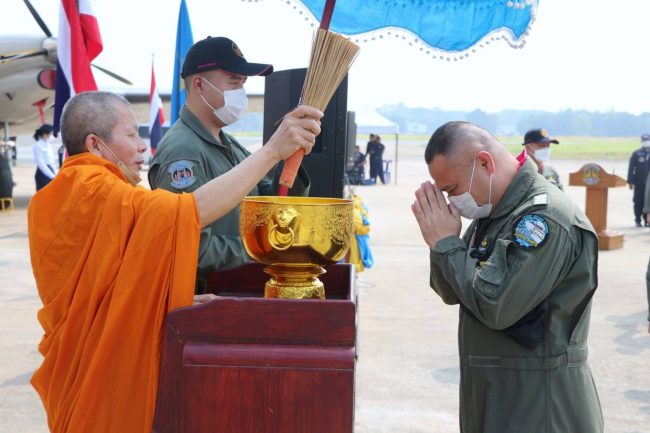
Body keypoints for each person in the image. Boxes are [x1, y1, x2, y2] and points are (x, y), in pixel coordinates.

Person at [27, 91, 321, 433]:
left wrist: (175, 301)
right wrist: (271, 152)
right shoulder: (96, 193)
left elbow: (116, 285)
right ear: (95, 144)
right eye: (132, 134)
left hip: (87, 370)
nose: (142, 146)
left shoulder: (52, 201)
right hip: (106, 375)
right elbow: (191, 212)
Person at [411, 121, 603, 433]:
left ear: (484, 163)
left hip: (540, 409)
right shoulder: (494, 214)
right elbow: (451, 291)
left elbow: (497, 305)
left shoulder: (543, 219)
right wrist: (440, 243)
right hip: (499, 401)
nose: (452, 203)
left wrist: (447, 245)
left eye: (452, 190)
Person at [149, 36, 311, 289]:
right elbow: (191, 247)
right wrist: (260, 248)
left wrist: (291, 157)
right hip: (209, 305)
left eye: (243, 84)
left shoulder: (229, 144)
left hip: (238, 294)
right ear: (200, 85)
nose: (241, 93)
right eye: (234, 82)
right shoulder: (183, 152)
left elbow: (266, 199)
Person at [626, 133, 650, 227]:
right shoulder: (636, 153)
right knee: (638, 201)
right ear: (641, 141)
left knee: (647, 201)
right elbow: (631, 168)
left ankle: (646, 220)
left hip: (649, 183)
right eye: (644, 140)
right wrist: (631, 182)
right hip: (639, 182)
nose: (645, 142)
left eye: (647, 140)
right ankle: (638, 220)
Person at [32, 124, 57, 190]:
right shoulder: (38, 145)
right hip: (42, 174)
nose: (51, 136)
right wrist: (52, 176)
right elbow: (41, 164)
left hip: (51, 170)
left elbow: (52, 162)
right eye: (50, 134)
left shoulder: (48, 144)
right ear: (45, 135)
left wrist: (56, 173)